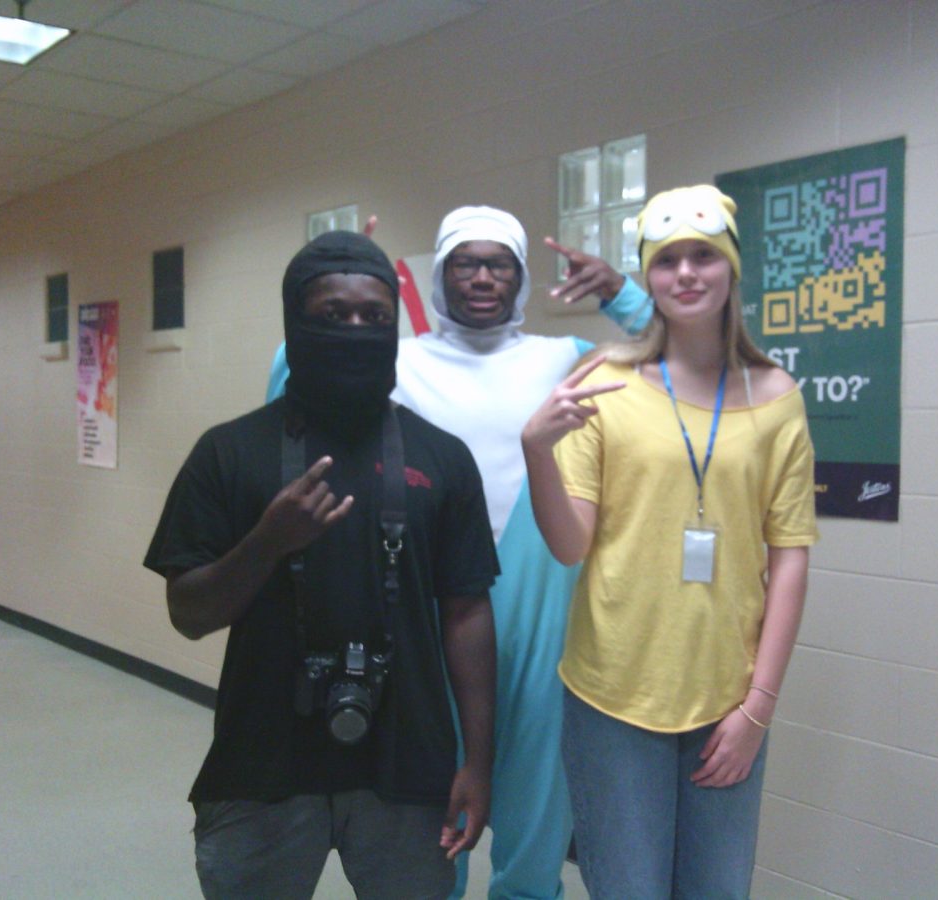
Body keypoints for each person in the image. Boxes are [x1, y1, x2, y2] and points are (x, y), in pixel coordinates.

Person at [266, 207, 651, 899]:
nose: (482, 277)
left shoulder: (562, 359)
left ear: (520, 276)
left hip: (542, 602)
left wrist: (619, 291)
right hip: (427, 604)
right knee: (430, 811)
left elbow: (678, 347)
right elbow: (291, 371)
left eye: (498, 262)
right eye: (465, 262)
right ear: (440, 274)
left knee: (537, 807)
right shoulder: (397, 359)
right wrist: (331, 280)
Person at [145, 230, 499, 900]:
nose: (356, 329)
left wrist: (478, 764)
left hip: (408, 764)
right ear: (293, 322)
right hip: (262, 763)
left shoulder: (443, 458)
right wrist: (268, 541)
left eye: (375, 316)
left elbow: (467, 611)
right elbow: (188, 614)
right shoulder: (228, 452)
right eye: (333, 315)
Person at [522, 185, 819, 898]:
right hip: (613, 695)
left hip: (727, 698)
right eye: (668, 261)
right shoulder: (605, 382)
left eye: (703, 257)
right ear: (649, 278)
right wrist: (537, 451)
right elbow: (571, 545)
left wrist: (758, 708)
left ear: (730, 271)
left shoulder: (777, 395)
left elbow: (791, 560)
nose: (686, 273)